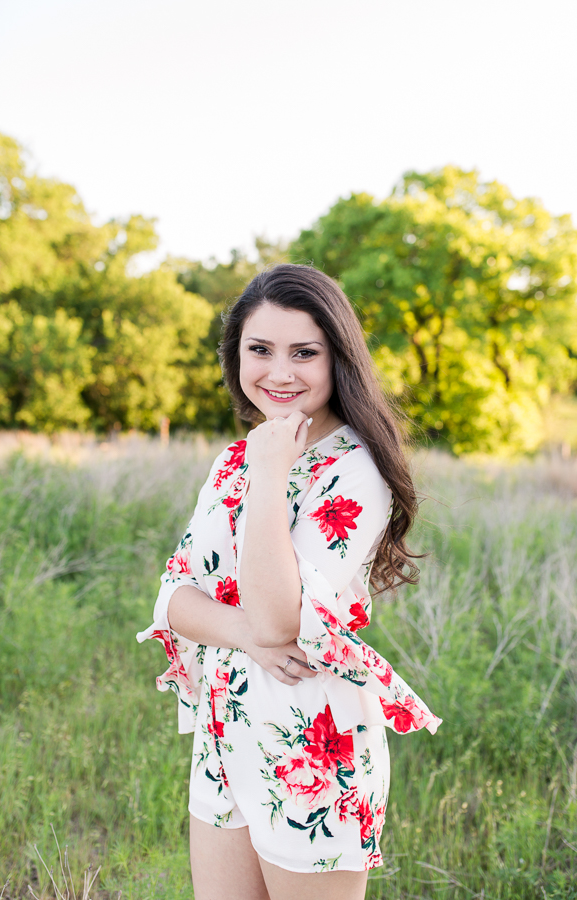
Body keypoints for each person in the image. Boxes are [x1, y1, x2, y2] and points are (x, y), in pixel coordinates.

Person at [137, 264, 440, 900]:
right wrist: (246, 633)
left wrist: (271, 471)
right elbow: (173, 599)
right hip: (226, 729)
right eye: (260, 350)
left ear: (339, 360)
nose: (280, 372)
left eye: (305, 352)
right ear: (235, 355)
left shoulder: (357, 471)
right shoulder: (233, 461)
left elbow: (280, 620)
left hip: (311, 741)